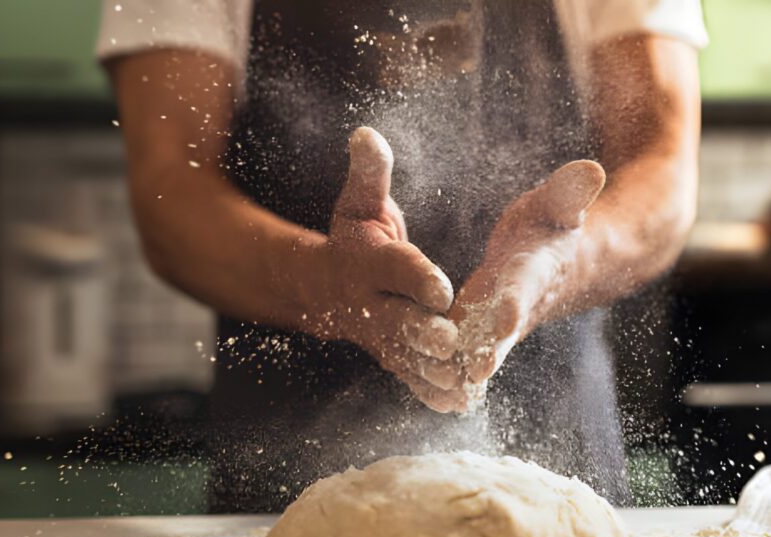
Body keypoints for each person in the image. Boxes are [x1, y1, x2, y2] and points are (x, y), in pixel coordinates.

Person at [97, 0, 706, 511]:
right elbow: (171, 190)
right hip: (284, 461)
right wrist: (322, 284)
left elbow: (663, 169)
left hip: (556, 442)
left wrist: (559, 265)